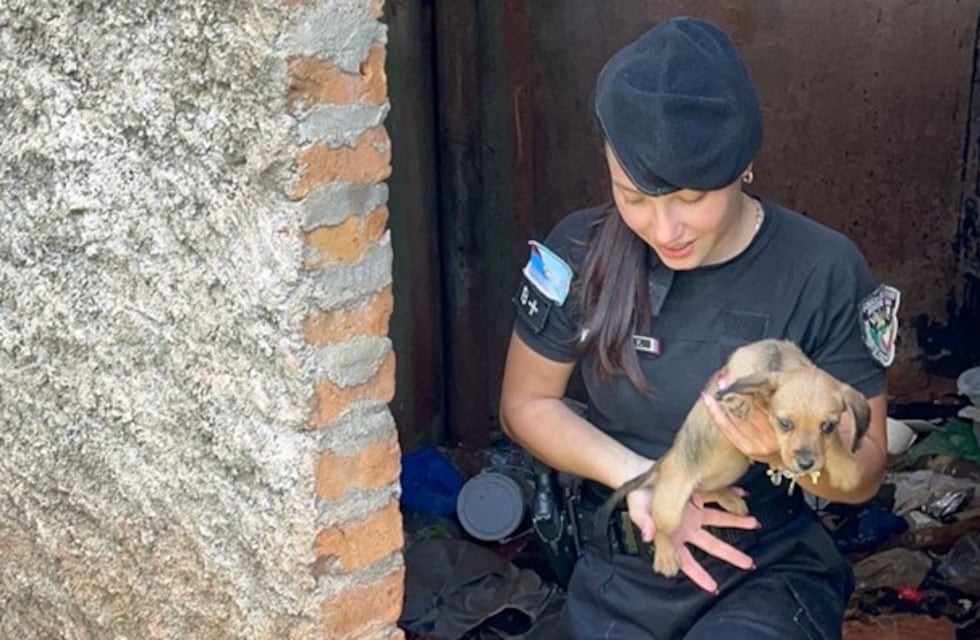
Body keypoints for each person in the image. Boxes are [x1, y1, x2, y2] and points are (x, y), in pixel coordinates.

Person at [499, 16, 899, 640]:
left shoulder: (821, 267)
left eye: (690, 199)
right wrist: (645, 480)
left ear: (742, 166)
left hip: (763, 568)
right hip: (625, 565)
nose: (664, 230)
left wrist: (786, 453)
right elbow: (525, 404)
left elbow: (866, 472)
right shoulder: (579, 250)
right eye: (634, 197)